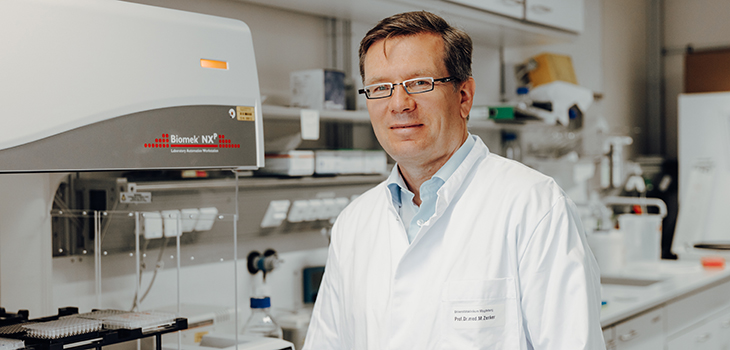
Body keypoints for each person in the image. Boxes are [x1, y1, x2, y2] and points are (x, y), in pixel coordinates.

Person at [302, 10, 604, 350]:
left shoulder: (535, 206)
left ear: (464, 96)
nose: (399, 104)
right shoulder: (354, 223)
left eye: (419, 83)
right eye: (380, 88)